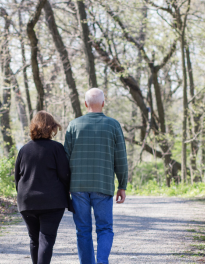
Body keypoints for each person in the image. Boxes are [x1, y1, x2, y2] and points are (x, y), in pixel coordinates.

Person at [64, 88, 128, 264]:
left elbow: (65, 159)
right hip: (103, 184)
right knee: (105, 228)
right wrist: (122, 185)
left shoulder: (74, 125)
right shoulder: (113, 125)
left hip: (78, 187)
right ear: (103, 103)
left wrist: (64, 186)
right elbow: (120, 157)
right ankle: (101, 262)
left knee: (83, 230)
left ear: (85, 104)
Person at [15, 111, 73, 264]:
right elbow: (64, 175)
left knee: (34, 240)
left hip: (27, 202)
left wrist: (23, 195)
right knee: (46, 239)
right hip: (52, 202)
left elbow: (17, 178)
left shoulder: (24, 150)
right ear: (52, 127)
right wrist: (69, 195)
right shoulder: (57, 148)